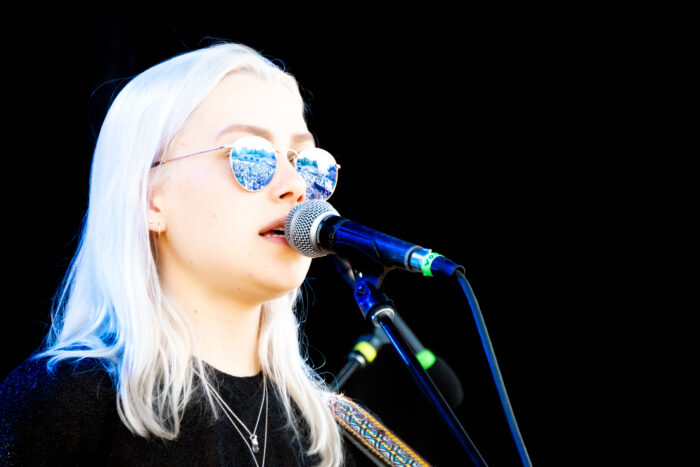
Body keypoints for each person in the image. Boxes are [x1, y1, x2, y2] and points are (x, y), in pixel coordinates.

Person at [0, 42, 429, 466]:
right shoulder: (63, 404)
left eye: (306, 162)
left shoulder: (328, 437)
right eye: (253, 157)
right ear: (150, 199)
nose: (295, 187)